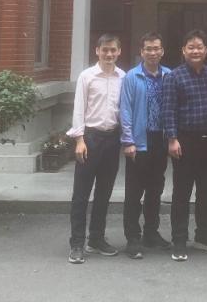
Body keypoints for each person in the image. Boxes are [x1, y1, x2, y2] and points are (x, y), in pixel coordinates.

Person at [161, 29, 207, 261]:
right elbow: (168, 110)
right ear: (183, 51)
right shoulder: (174, 77)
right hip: (184, 141)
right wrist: (172, 139)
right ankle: (179, 239)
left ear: (206, 51)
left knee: (206, 191)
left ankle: (203, 235)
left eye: (199, 47)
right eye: (191, 47)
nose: (195, 51)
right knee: (182, 192)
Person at [67, 34, 126, 264]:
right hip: (90, 139)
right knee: (81, 194)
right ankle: (77, 243)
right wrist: (79, 139)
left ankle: (96, 238)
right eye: (105, 50)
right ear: (97, 51)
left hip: (112, 139)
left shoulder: (123, 77)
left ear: (119, 51)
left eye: (113, 50)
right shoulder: (87, 76)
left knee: (104, 193)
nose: (109, 54)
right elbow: (78, 109)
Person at [119, 31, 172, 259]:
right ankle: (133, 238)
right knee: (134, 191)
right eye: (148, 49)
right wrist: (128, 140)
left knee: (155, 189)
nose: (152, 52)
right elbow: (125, 110)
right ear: (141, 52)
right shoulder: (132, 77)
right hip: (139, 142)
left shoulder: (169, 75)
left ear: (162, 51)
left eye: (156, 48)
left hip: (160, 140)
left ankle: (151, 233)